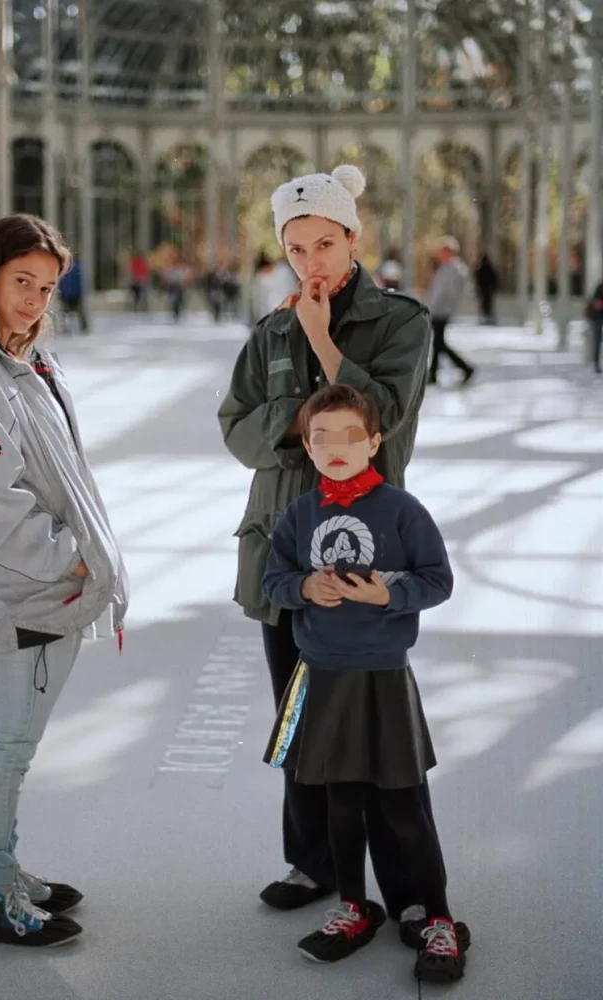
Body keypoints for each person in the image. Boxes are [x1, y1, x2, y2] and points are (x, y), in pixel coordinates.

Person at [217, 163, 446, 945]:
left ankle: (412, 892)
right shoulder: (268, 331)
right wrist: (298, 420)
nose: (311, 261)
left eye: (325, 242)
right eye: (295, 246)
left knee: (378, 729)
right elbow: (237, 427)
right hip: (286, 553)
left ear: (354, 239)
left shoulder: (402, 322)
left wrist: (320, 340)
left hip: (366, 558)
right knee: (298, 715)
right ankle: (314, 865)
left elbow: (381, 417)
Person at [0, 214, 129, 947]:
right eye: (22, 283)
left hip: (53, 587)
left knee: (17, 746)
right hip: (35, 593)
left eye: (46, 288)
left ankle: (1, 866)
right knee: (8, 747)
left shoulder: (19, 354)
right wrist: (70, 559)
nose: (35, 301)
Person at [262, 383, 470, 982]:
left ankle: (437, 915)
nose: (334, 448)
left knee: (402, 805)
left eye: (349, 436)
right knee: (341, 805)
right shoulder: (300, 515)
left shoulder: (402, 511)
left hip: (381, 680)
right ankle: (355, 905)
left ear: (374, 442)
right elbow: (275, 578)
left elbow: (439, 580)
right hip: (323, 678)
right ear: (306, 443)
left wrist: (388, 593)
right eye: (320, 437)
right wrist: (304, 587)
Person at [426, 237, 474, 386]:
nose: (438, 254)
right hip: (438, 309)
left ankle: (465, 367)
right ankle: (433, 373)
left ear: (448, 251)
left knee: (439, 342)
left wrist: (438, 306)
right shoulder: (446, 267)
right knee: (437, 342)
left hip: (442, 310)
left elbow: (450, 292)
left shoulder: (454, 269)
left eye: (441, 251)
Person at [58, 257, 89, 333]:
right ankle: (83, 327)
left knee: (66, 312)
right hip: (75, 293)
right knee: (76, 312)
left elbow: (62, 282)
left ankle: (67, 327)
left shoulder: (66, 268)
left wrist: (61, 292)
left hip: (68, 293)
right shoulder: (78, 267)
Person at [474, 252, 499, 325]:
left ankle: (487, 318)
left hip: (484, 289)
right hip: (486, 289)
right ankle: (487, 318)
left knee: (486, 304)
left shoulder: (482, 268)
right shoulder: (486, 268)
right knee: (487, 305)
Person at [586, 276, 603, 374]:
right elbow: (594, 303)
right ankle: (596, 363)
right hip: (597, 317)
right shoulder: (598, 289)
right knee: (597, 340)